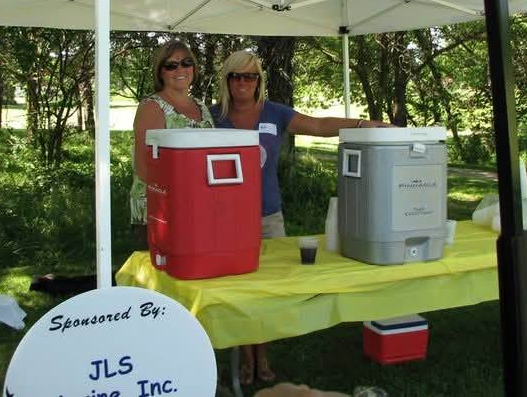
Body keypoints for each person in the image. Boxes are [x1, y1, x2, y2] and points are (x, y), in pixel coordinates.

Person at [210, 50, 394, 385]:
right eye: (235, 76)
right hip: (223, 219)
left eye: (250, 76)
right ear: (227, 81)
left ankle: (262, 354)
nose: (242, 82)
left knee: (268, 289)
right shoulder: (212, 116)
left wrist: (362, 124)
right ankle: (246, 357)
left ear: (259, 81)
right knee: (237, 290)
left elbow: (319, 125)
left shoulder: (275, 112)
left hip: (267, 215)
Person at [129, 40, 214, 245]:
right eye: (171, 65)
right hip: (159, 213)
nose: (180, 69)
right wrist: (186, 194)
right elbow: (144, 167)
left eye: (186, 62)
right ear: (161, 72)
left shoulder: (201, 107)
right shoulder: (152, 107)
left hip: (197, 208)